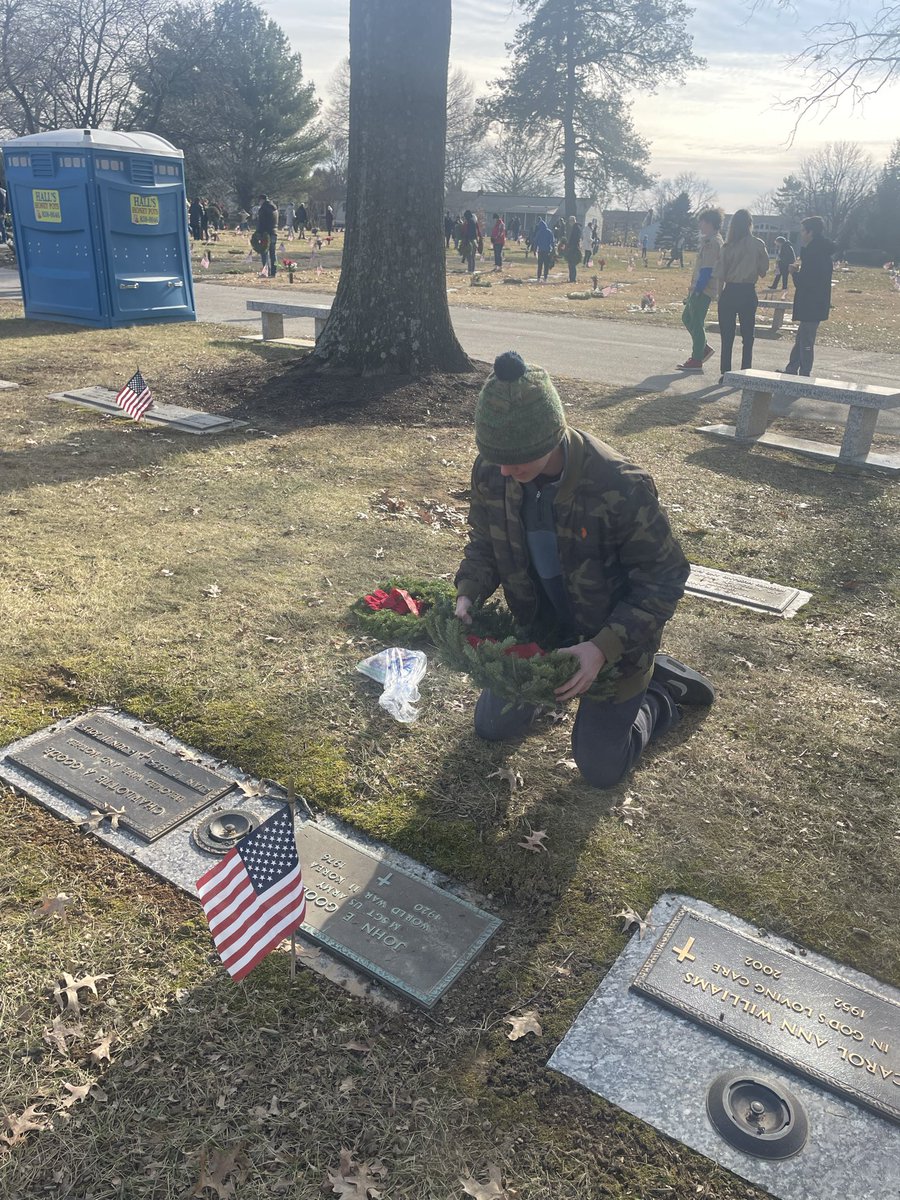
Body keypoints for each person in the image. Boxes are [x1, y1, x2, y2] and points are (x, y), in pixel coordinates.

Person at [453, 351, 714, 789]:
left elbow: (664, 577)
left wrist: (602, 647)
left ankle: (658, 693)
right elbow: (484, 543)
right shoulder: (495, 471)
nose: (503, 470)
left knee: (600, 768)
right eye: (494, 458)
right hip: (542, 629)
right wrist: (468, 592)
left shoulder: (620, 484)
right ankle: (555, 680)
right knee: (492, 727)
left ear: (550, 439)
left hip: (613, 638)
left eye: (515, 461)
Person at [716, 209, 770, 379]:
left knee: (727, 335)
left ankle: (726, 372)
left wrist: (719, 296)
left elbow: (720, 275)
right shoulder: (758, 244)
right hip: (747, 291)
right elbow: (763, 270)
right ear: (750, 224)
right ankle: (746, 370)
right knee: (748, 335)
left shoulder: (727, 246)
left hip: (729, 291)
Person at [784, 216, 836, 377]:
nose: (801, 234)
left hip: (811, 303)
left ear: (810, 232)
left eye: (802, 231)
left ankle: (804, 372)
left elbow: (807, 282)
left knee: (806, 340)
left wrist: (794, 273)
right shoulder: (822, 251)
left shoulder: (814, 254)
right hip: (816, 302)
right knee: (801, 337)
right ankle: (792, 368)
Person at [677, 208, 724, 371]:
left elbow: (707, 269)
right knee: (687, 318)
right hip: (698, 288)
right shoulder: (709, 240)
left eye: (702, 222)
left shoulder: (713, 243)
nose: (700, 225)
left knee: (696, 322)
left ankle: (697, 358)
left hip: (703, 289)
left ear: (710, 223)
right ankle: (702, 347)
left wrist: (698, 289)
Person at [255, 193, 278, 277]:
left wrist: (258, 233)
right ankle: (274, 272)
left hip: (265, 233)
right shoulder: (274, 208)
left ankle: (265, 272)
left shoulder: (263, 209)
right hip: (274, 232)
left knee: (264, 253)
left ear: (262, 200)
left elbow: (261, 223)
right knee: (273, 254)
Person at [533, 217, 555, 282]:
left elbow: (535, 242)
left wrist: (534, 250)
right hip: (547, 251)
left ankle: (538, 277)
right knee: (546, 265)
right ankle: (545, 277)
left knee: (540, 265)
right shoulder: (549, 232)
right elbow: (552, 241)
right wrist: (553, 249)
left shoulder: (539, 232)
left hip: (540, 251)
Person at [564, 216, 582, 283]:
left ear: (572, 221)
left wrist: (569, 246)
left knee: (572, 264)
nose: (569, 223)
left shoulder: (575, 228)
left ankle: (572, 278)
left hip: (574, 248)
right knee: (571, 264)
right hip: (574, 247)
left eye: (569, 221)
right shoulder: (577, 228)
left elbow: (574, 239)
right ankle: (571, 278)